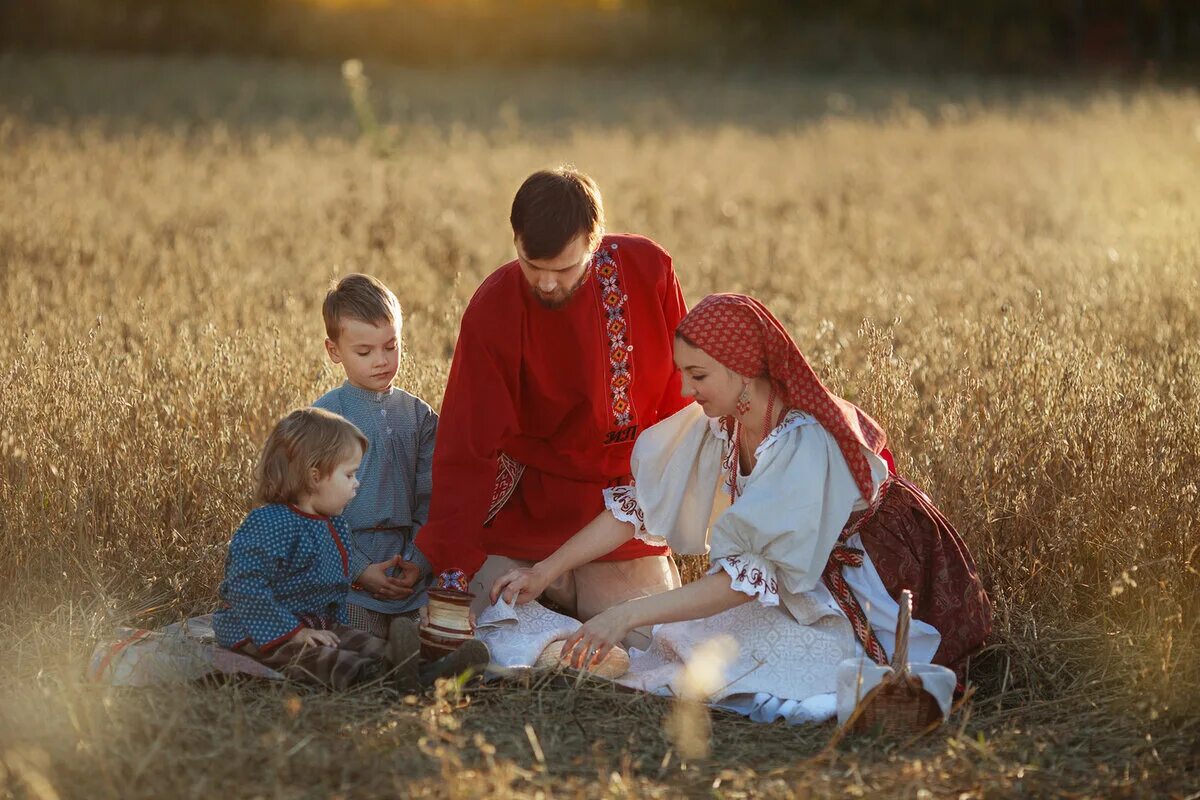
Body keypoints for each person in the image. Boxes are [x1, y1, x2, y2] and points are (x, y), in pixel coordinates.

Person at [495, 293, 992, 723]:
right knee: (684, 644)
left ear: (742, 370)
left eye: (698, 375)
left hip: (871, 586)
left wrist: (625, 615)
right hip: (797, 574)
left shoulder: (803, 441)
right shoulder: (724, 419)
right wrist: (545, 570)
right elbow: (641, 507)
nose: (686, 391)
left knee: (733, 661)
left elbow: (742, 581)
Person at [413, 167, 690, 643]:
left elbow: (681, 403)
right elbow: (466, 444)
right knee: (477, 625)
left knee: (651, 641)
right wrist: (453, 568)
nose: (543, 283)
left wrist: (660, 502)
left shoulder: (650, 271)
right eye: (530, 263)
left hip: (616, 507)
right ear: (515, 239)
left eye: (562, 269)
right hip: (527, 503)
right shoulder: (493, 307)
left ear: (594, 240)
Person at [211, 408, 407, 690]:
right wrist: (294, 633)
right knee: (323, 660)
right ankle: (382, 679)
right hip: (259, 630)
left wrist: (335, 629)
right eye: (349, 475)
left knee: (371, 645)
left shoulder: (334, 525)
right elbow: (244, 585)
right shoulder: (271, 523)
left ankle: (415, 667)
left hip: (317, 624)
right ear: (315, 476)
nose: (357, 484)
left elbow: (332, 591)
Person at [313, 273, 436, 639]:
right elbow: (312, 511)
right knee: (359, 641)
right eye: (364, 352)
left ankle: (423, 663)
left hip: (408, 572)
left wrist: (419, 561)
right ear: (334, 351)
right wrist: (359, 569)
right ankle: (384, 661)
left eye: (391, 346)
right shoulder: (324, 418)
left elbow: (432, 498)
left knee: (427, 635)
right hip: (350, 574)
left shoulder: (419, 416)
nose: (381, 361)